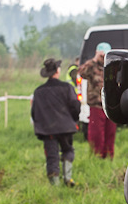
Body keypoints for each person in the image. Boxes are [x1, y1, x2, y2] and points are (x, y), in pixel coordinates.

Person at [32, 57, 81, 186]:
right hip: (66, 127)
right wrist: (74, 119)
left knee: (52, 156)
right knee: (68, 150)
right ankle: (68, 178)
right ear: (57, 71)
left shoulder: (38, 92)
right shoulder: (67, 88)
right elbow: (75, 105)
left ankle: (55, 184)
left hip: (47, 129)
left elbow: (34, 112)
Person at [77, 42, 117, 158]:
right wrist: (95, 59)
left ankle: (109, 156)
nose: (103, 57)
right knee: (97, 134)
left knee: (110, 132)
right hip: (96, 104)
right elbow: (81, 72)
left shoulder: (112, 66)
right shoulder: (91, 66)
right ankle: (97, 156)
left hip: (110, 105)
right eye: (102, 54)